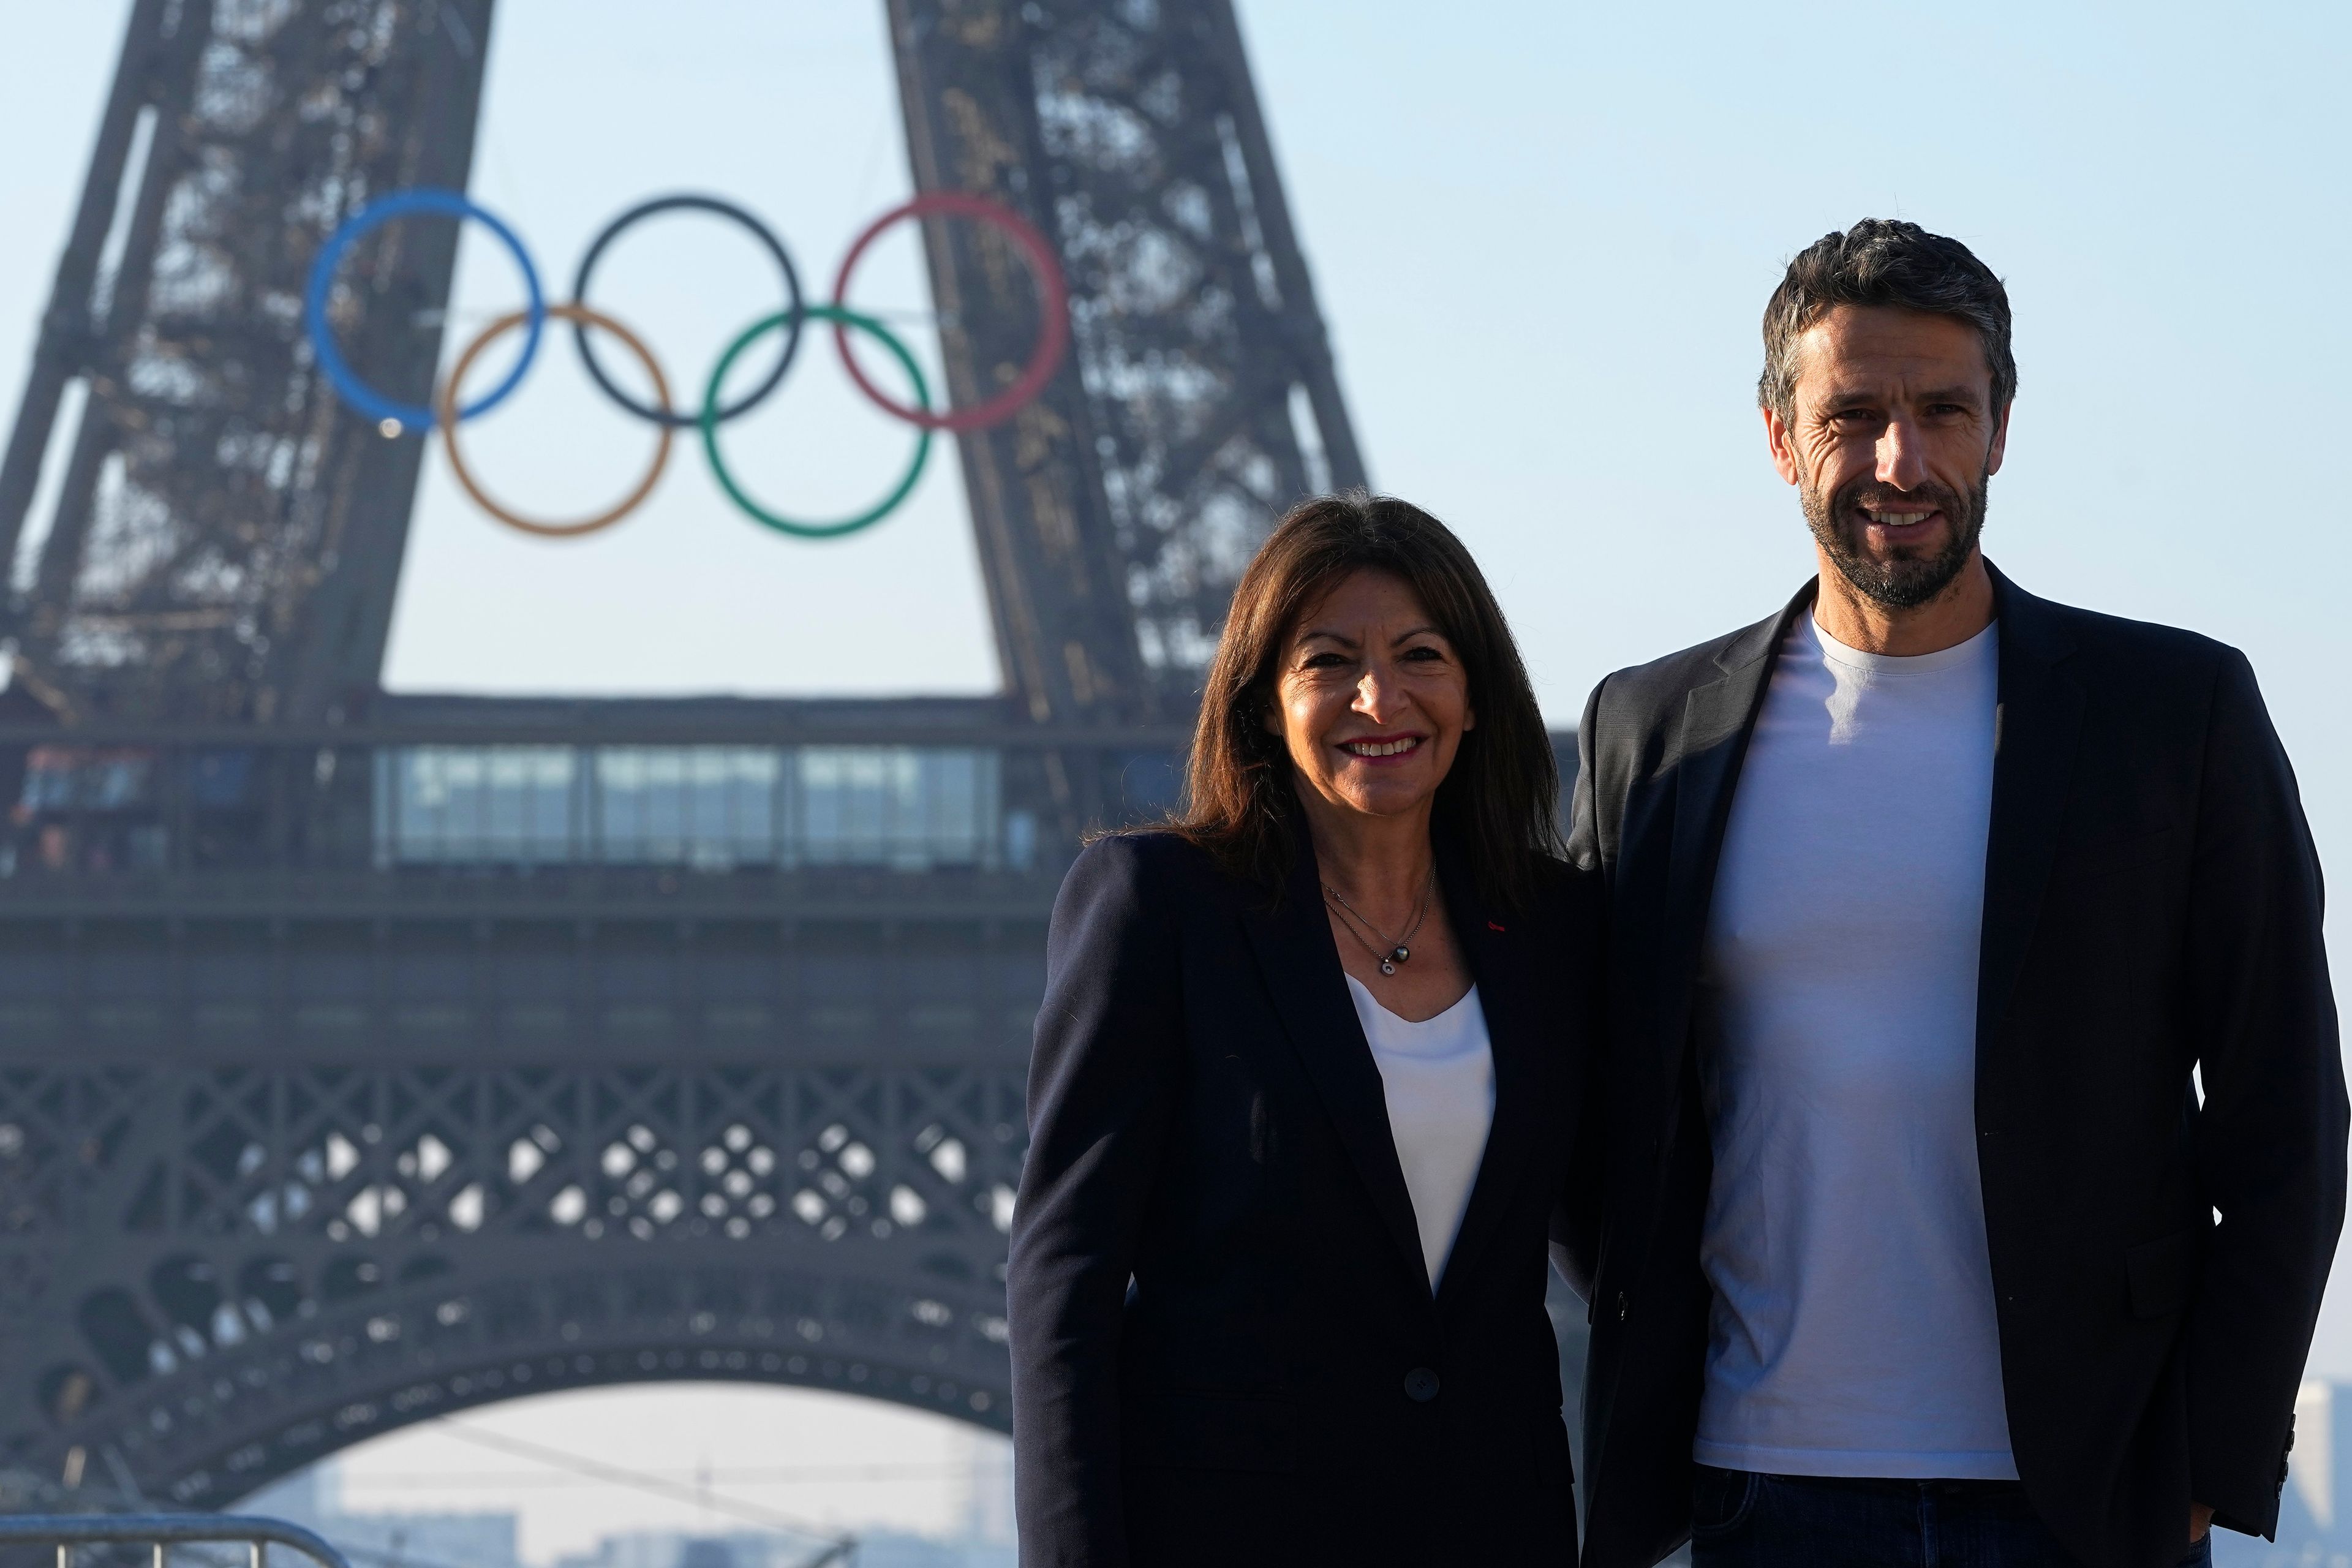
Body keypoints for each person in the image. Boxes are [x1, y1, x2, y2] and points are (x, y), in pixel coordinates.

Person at [1567, 219, 2345, 1568]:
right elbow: (1585, 1097)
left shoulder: (2177, 713)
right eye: (1853, 414)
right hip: (1753, 1482)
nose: (1899, 460)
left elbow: (2289, 1117)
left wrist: (2207, 1464)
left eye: (1942, 411)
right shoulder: (1649, 730)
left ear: (2000, 428)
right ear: (1776, 437)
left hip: (2081, 1497)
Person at [1009, 493, 1600, 1566]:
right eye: (1328, 661)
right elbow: (1066, 1282)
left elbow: (1611, 1241)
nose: (1381, 697)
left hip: (1490, 1530)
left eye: (1422, 653)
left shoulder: (1555, 931)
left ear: (1474, 697)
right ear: (1263, 705)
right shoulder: (1160, 908)